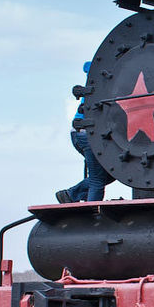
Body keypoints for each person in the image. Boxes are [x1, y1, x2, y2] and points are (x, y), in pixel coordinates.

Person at [56, 62, 115, 203]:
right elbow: (88, 65)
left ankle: (72, 195)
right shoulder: (103, 80)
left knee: (110, 173)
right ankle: (88, 207)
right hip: (87, 134)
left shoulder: (101, 80)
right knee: (97, 180)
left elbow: (86, 65)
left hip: (81, 133)